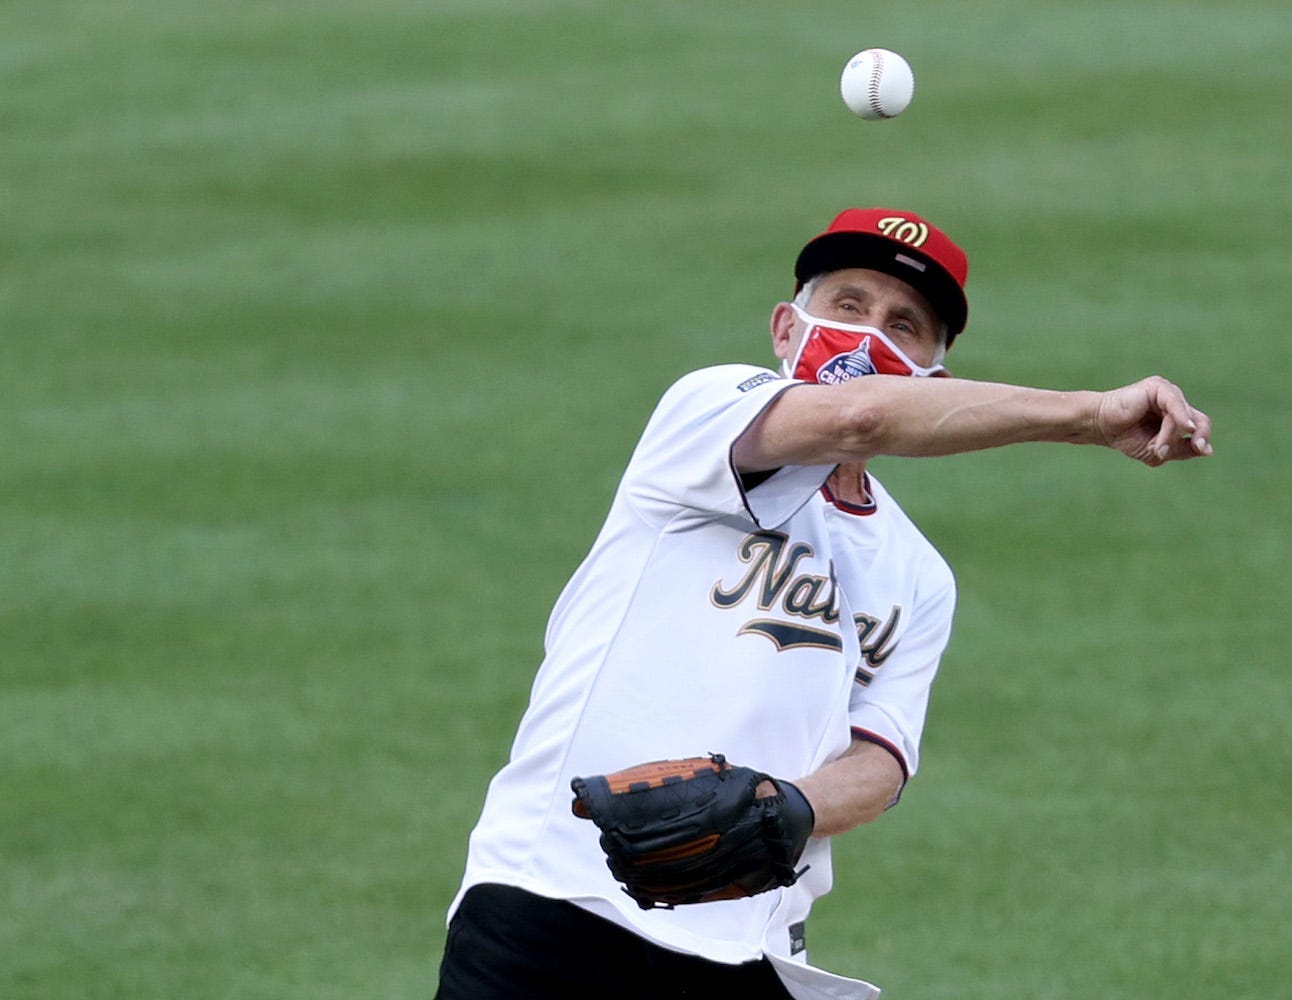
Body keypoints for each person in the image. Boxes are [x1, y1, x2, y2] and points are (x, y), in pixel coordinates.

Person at [435, 207, 1213, 1000]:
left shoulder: (918, 573)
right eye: (848, 304)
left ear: (936, 384)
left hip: (745, 946)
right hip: (555, 899)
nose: (871, 334)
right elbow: (860, 413)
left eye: (904, 325)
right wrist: (1087, 415)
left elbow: (880, 760)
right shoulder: (706, 412)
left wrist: (789, 807)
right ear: (785, 326)